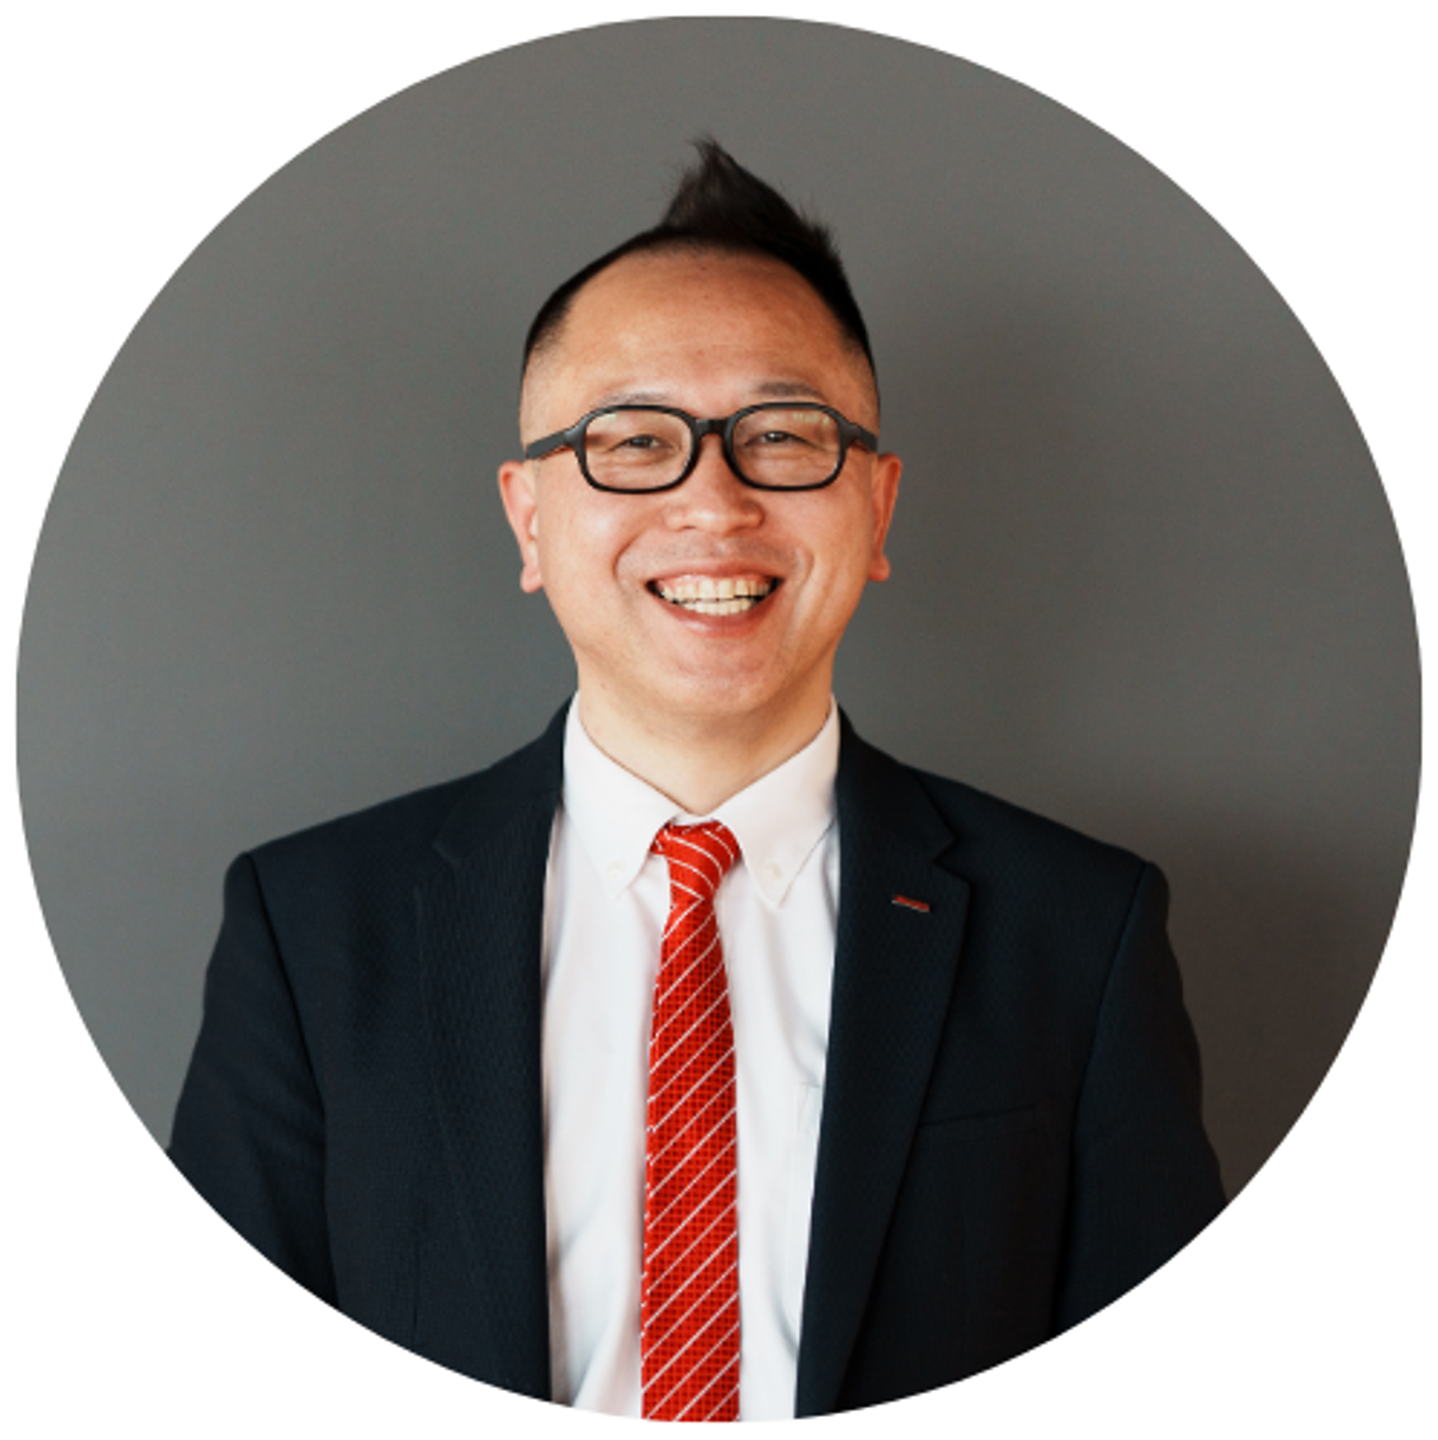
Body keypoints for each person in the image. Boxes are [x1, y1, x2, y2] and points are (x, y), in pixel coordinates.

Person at [169, 140, 1224, 1420]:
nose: (714, 503)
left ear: (878, 510)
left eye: (781, 436)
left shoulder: (1082, 932)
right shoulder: (311, 930)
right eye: (632, 440)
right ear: (529, 517)